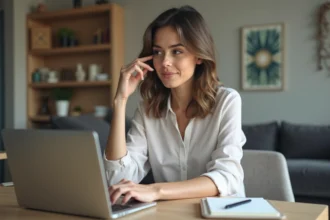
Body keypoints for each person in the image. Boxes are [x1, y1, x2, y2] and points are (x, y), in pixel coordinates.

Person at [104, 5, 246, 205]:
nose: (165, 62)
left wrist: (155, 190)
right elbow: (117, 180)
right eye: (158, 52)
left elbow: (227, 176)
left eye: (177, 51)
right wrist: (120, 101)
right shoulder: (148, 109)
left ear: (198, 56)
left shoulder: (227, 101)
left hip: (223, 213)